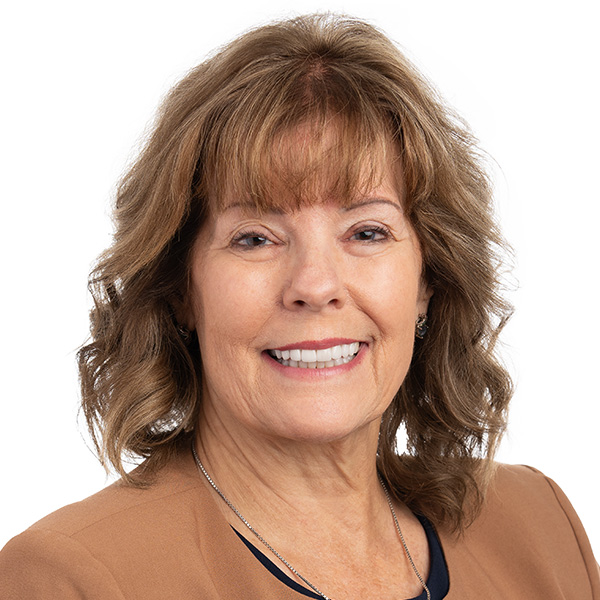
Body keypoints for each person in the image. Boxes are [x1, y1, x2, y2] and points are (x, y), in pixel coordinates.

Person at [0, 13, 598, 600]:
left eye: (367, 232)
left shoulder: (539, 528)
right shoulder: (70, 578)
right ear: (181, 287)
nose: (314, 285)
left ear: (427, 279)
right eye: (255, 238)